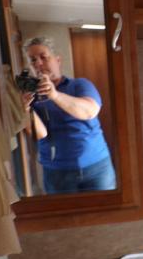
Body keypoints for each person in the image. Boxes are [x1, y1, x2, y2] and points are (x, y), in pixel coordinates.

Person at [20, 36, 116, 194]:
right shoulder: (32, 96)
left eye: (44, 57)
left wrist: (55, 95)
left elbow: (90, 111)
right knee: (62, 211)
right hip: (57, 172)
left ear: (57, 60)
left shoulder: (80, 85)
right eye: (33, 60)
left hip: (97, 167)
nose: (38, 63)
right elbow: (40, 134)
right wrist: (25, 108)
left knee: (107, 209)